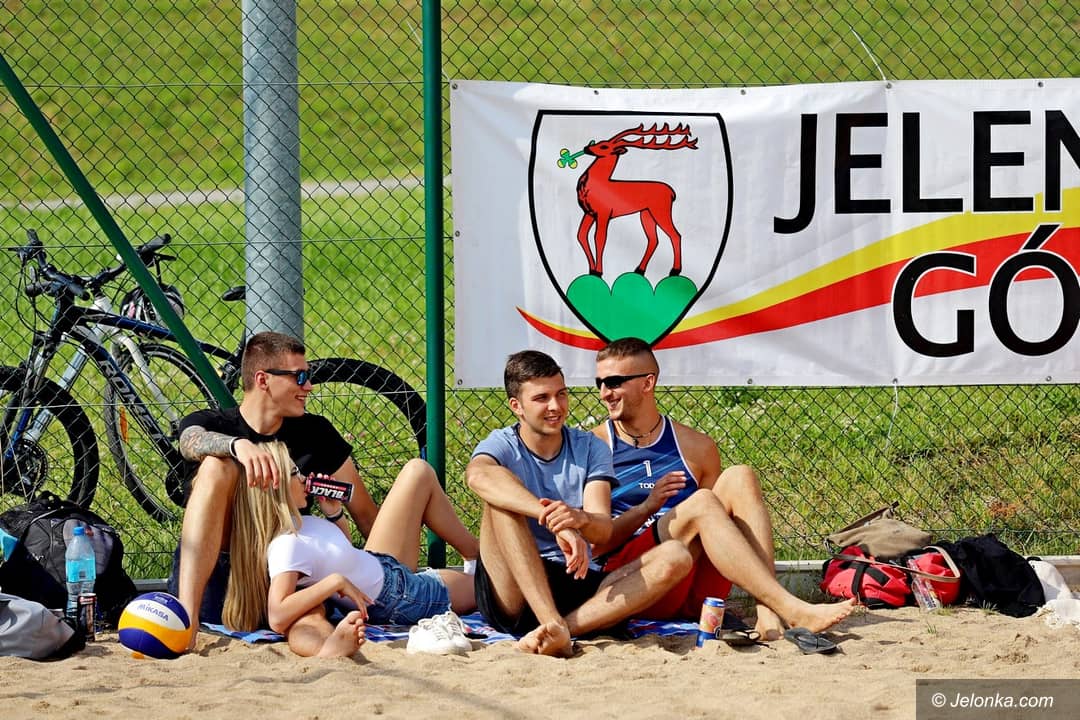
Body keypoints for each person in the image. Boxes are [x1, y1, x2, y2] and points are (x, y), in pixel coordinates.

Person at [173, 331, 479, 646]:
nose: (309, 386)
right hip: (234, 579)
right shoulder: (215, 425)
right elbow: (189, 441)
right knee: (216, 467)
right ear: (263, 380)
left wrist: (377, 574)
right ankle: (187, 618)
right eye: (299, 377)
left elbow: (365, 516)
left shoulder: (315, 433)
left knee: (417, 472)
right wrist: (236, 446)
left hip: (300, 578)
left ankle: (479, 558)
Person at [591, 337, 854, 639]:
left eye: (613, 382)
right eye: (600, 383)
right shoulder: (594, 446)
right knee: (702, 503)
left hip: (693, 590)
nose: (604, 393)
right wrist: (647, 507)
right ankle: (789, 607)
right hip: (635, 582)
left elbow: (719, 527)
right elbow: (596, 546)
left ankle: (767, 612)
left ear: (647, 383)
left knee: (740, 476)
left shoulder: (697, 447)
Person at [465, 349, 694, 658]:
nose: (555, 406)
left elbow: (603, 531)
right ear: (516, 406)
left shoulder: (590, 447)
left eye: (561, 394)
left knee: (677, 556)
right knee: (501, 499)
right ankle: (550, 621)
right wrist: (552, 519)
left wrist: (578, 519)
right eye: (542, 398)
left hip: (575, 579)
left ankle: (561, 629)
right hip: (513, 588)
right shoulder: (503, 442)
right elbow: (478, 476)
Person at [223, 440, 476, 658]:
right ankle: (484, 565)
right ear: (274, 487)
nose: (303, 478)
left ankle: (475, 556)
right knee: (488, 589)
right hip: (399, 596)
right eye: (294, 472)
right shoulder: (286, 545)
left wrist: (334, 514)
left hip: (383, 566)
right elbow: (277, 616)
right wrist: (334, 582)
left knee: (418, 471)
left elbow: (339, 555)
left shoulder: (298, 524)